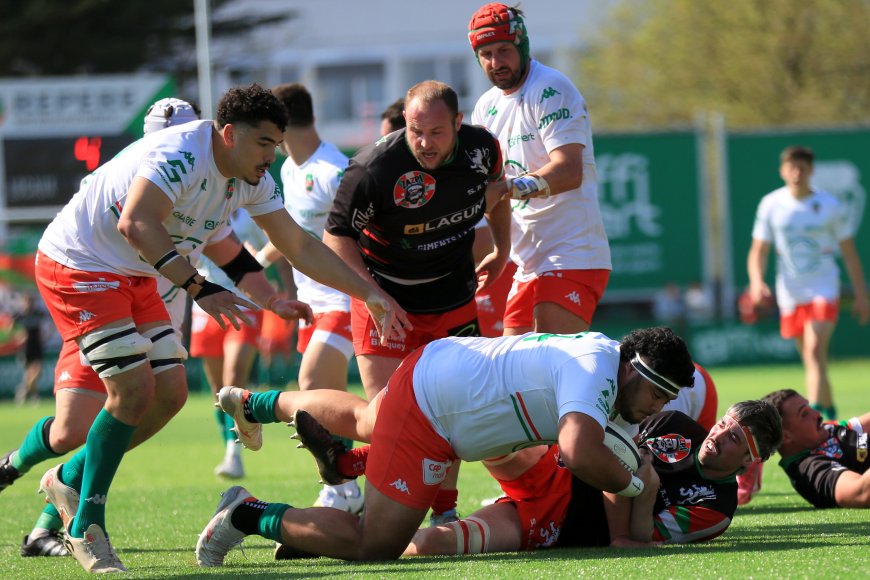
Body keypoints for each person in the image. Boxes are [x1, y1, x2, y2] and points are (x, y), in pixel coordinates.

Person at [25, 84, 401, 573]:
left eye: (277, 143)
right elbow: (137, 224)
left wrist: (363, 291)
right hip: (81, 264)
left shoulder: (251, 176)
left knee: (170, 393)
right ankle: (85, 527)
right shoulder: (181, 154)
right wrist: (201, 288)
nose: (273, 155)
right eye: (265, 142)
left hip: (136, 273)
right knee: (133, 391)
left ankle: (69, 480)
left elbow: (298, 246)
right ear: (228, 134)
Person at [194, 327, 695, 565]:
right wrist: (634, 483)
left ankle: (259, 404)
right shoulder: (598, 372)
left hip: (441, 368)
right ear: (634, 369)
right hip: (435, 414)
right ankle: (247, 513)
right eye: (657, 394)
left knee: (369, 418)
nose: (656, 406)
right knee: (377, 545)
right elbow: (582, 454)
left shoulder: (609, 367)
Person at [0, 97, 205, 559]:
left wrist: (271, 293)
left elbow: (236, 250)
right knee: (74, 431)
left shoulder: (207, 184)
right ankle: (17, 470)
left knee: (150, 402)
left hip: (147, 310)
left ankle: (44, 528)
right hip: (101, 301)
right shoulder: (135, 179)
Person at [323, 80, 512, 522]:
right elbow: (335, 238)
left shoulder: (483, 149)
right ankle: (361, 490)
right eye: (415, 131)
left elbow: (498, 193)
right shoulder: (374, 169)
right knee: (387, 419)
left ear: (459, 124)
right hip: (385, 300)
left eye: (436, 132)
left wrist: (501, 250)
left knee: (456, 409)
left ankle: (444, 514)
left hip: (453, 297)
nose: (425, 143)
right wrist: (372, 296)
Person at [404, 400, 781, 556]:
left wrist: (645, 484)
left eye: (733, 438)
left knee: (435, 545)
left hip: (561, 527)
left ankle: (373, 533)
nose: (716, 435)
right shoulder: (677, 424)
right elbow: (605, 435)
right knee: (482, 427)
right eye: (722, 425)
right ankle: (379, 451)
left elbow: (637, 539)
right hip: (555, 469)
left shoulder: (717, 509)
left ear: (749, 461)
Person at [468, 3, 612, 336]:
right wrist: (501, 252)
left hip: (572, 255)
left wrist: (508, 188)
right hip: (527, 265)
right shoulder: (485, 108)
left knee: (548, 370)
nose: (496, 62)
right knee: (514, 377)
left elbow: (568, 171)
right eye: (486, 54)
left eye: (504, 50)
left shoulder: (551, 89)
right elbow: (492, 189)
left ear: (522, 45)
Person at [255, 82, 362, 513]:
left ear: (280, 128)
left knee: (313, 385)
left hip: (344, 300)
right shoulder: (287, 170)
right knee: (323, 398)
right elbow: (293, 236)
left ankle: (345, 487)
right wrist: (250, 265)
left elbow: (363, 236)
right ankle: (345, 486)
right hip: (312, 304)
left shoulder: (335, 171)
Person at [748, 145, 869, 420]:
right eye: (791, 166)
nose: (797, 172)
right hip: (790, 291)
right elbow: (759, 251)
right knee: (813, 359)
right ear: (782, 170)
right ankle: (831, 415)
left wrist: (861, 294)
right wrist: (756, 282)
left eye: (802, 167)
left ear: (811, 171)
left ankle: (813, 415)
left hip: (823, 288)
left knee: (814, 350)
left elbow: (849, 253)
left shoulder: (830, 205)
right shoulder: (771, 204)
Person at [190, 208, 272, 480]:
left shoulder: (248, 216)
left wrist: (256, 260)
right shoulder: (196, 212)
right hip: (207, 307)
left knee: (232, 383)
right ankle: (230, 448)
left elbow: (273, 247)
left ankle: (234, 456)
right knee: (217, 391)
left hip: (244, 304)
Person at [762, 388, 870, 509]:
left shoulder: (821, 432)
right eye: (804, 414)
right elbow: (861, 493)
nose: (817, 414)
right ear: (786, 437)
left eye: (810, 408)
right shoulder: (810, 472)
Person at [12, 293, 46, 404]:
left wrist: (46, 335)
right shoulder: (20, 315)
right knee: (28, 373)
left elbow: (48, 323)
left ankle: (23, 390)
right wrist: (19, 335)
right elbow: (10, 328)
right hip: (26, 347)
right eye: (26, 302)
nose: (28, 304)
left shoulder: (37, 313)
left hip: (37, 345)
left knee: (37, 371)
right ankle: (34, 396)